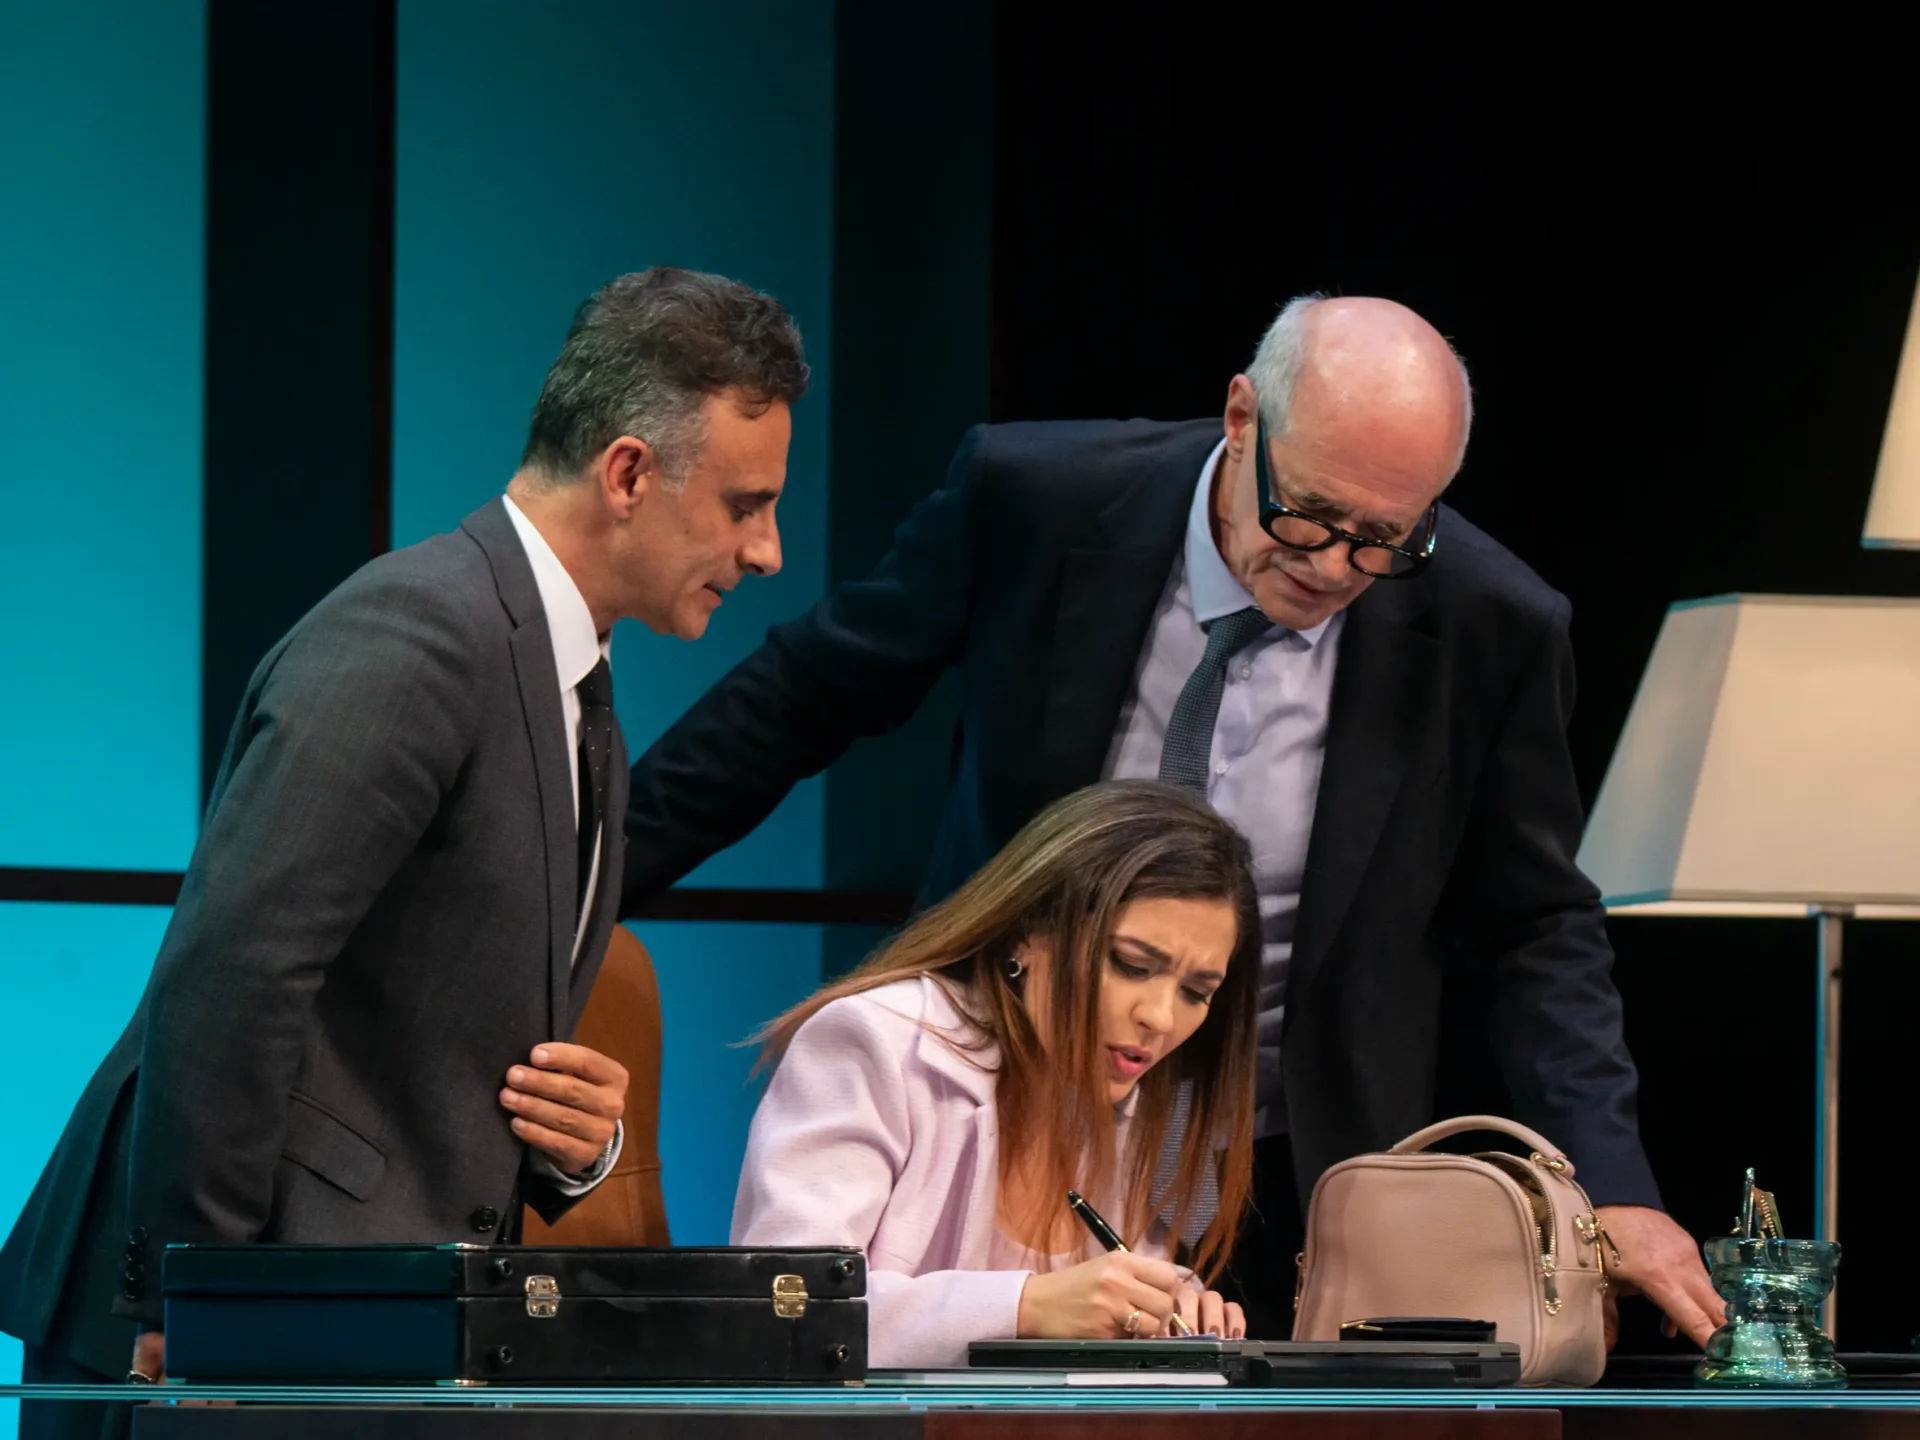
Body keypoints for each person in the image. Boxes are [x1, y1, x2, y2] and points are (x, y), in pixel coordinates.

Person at [629, 293, 1722, 1347]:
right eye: (1308, 516)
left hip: (1293, 1163)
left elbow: (1535, 924)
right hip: (1011, 1109)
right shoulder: (1039, 499)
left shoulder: (1491, 620)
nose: (1334, 567)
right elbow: (807, 698)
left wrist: (1611, 1185)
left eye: (1384, 540)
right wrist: (579, 895)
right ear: (1242, 417)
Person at [0, 266, 808, 1437]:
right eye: (746, 505)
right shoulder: (420, 633)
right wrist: (205, 1297)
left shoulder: (569, 678)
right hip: (216, 1337)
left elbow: (432, 1034)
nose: (769, 550)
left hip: (350, 1330)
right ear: (629, 473)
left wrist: (575, 1151)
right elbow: (234, 970)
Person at [734, 781, 1259, 1367]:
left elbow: (1102, 1316)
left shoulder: (1135, 1095)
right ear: (1029, 932)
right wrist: (1024, 1307)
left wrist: (1166, 1311)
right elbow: (783, 1310)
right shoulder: (875, 1041)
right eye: (1131, 965)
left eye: (1196, 992)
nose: (1160, 1018)